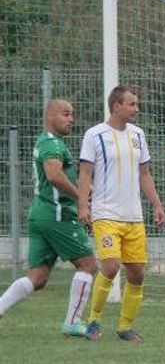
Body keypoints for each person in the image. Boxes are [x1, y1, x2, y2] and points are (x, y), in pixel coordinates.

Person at [0, 100, 98, 336]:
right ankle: (73, 322)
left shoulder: (51, 142)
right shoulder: (51, 142)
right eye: (65, 114)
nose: (71, 119)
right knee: (88, 265)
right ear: (50, 117)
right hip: (56, 215)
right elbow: (53, 175)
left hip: (41, 215)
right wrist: (80, 197)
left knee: (38, 277)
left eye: (72, 114)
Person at [77, 85, 165, 342]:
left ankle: (125, 327)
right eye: (132, 104)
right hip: (105, 214)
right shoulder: (95, 135)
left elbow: (145, 174)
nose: (136, 109)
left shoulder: (138, 134)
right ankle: (93, 321)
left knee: (137, 273)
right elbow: (85, 173)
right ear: (117, 106)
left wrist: (157, 205)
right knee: (112, 265)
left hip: (134, 217)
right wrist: (84, 206)